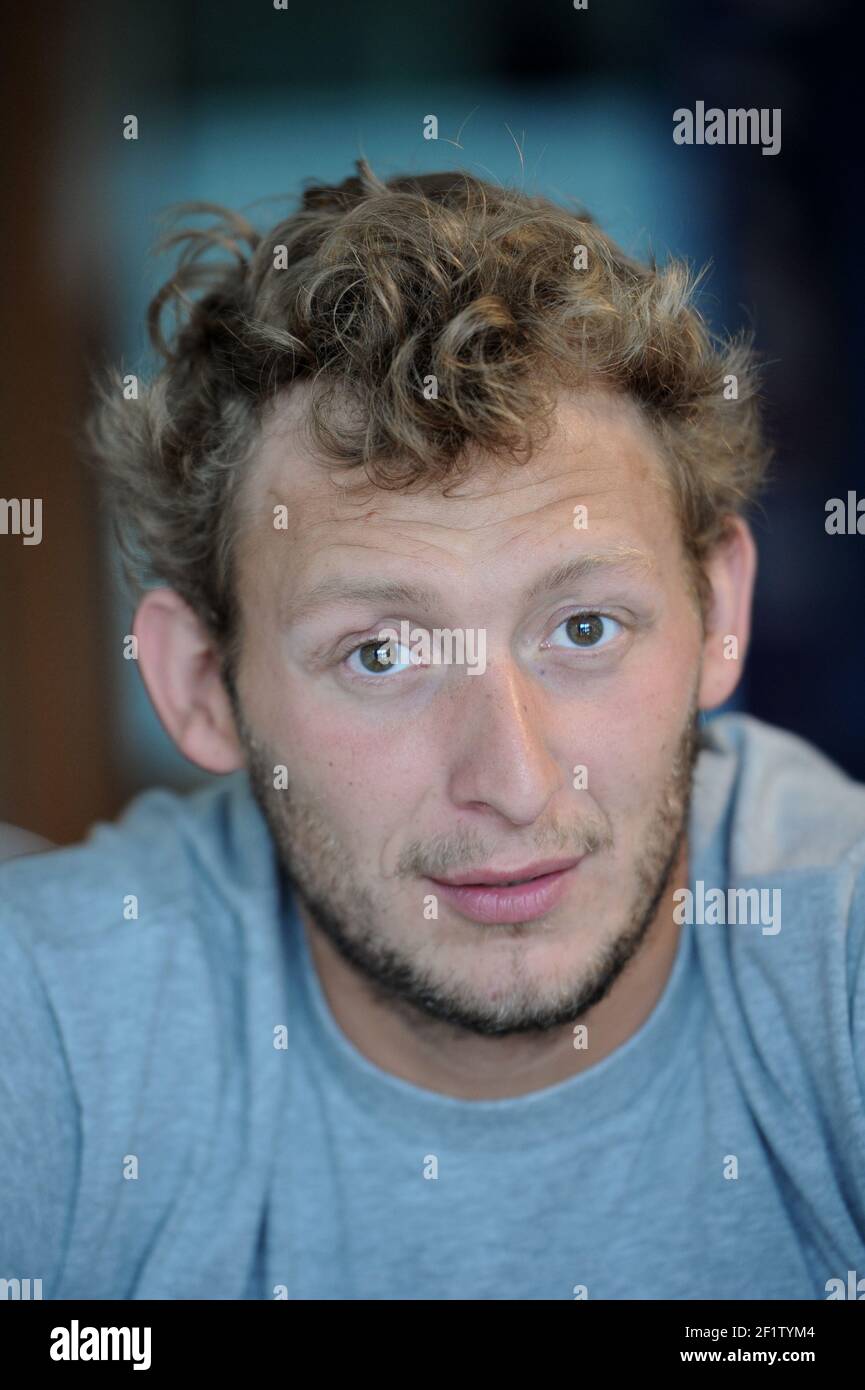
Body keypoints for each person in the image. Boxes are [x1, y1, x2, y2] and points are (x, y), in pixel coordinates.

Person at [2, 162, 863, 1301]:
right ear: (202, 687)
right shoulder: (51, 1019)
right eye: (380, 654)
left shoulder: (836, 960)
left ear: (721, 614)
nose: (511, 782)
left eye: (585, 625)